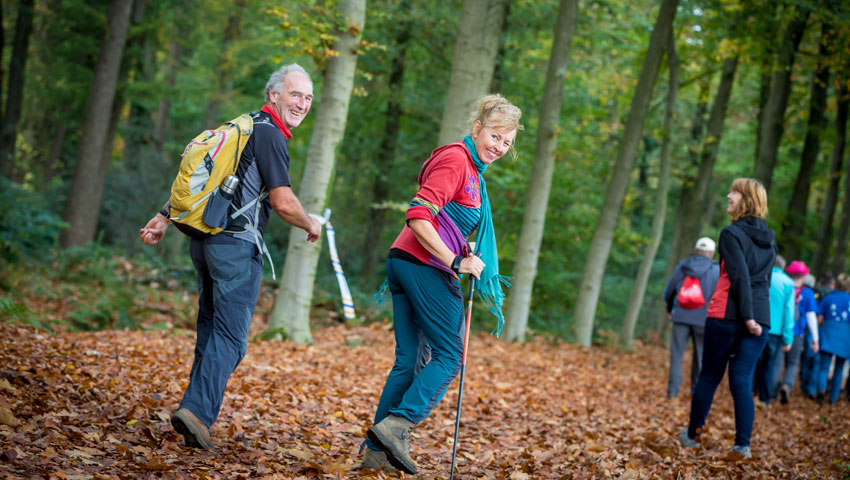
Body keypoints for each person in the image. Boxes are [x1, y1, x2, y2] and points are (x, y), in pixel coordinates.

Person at [139, 64, 322, 450]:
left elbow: (208, 179)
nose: (302, 103)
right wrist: (311, 223)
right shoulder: (269, 134)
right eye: (294, 94)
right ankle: (198, 413)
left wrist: (162, 216)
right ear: (273, 94)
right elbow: (283, 202)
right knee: (232, 338)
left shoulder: (240, 126)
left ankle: (192, 416)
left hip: (204, 243)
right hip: (235, 248)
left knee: (211, 330)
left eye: (307, 97)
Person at [361, 95, 522, 474]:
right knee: (452, 355)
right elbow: (419, 215)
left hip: (405, 263)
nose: (499, 147)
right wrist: (455, 260)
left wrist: (463, 248)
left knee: (409, 363)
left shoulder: (470, 169)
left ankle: (374, 453)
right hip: (424, 266)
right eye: (495, 136)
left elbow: (446, 219)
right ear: (477, 127)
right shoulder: (456, 159)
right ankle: (398, 426)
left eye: (507, 143)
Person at [678, 178, 777, 460]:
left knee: (709, 375)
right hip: (760, 316)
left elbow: (739, 276)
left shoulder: (730, 234)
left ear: (745, 200)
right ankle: (742, 446)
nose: (728, 196)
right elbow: (762, 283)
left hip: (728, 314)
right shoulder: (770, 241)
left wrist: (747, 317)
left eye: (734, 193)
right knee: (742, 380)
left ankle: (692, 435)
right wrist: (756, 318)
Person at [663, 237, 719, 398]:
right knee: (701, 356)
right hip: (703, 318)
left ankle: (672, 392)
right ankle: (696, 392)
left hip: (681, 315)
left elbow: (670, 290)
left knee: (676, 354)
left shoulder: (682, 267)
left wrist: (669, 308)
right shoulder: (716, 270)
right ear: (712, 253)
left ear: (695, 250)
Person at [754, 255, 794, 407]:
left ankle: (751, 392)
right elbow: (789, 312)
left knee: (754, 361)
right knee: (769, 365)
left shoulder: (762, 276)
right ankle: (764, 399)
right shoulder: (788, 283)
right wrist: (788, 338)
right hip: (775, 331)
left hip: (757, 325)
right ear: (783, 267)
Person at [816, 273, 850, 404]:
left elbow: (820, 319)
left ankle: (821, 392)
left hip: (829, 332)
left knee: (824, 366)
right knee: (839, 368)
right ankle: (833, 398)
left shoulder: (828, 298)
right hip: (846, 336)